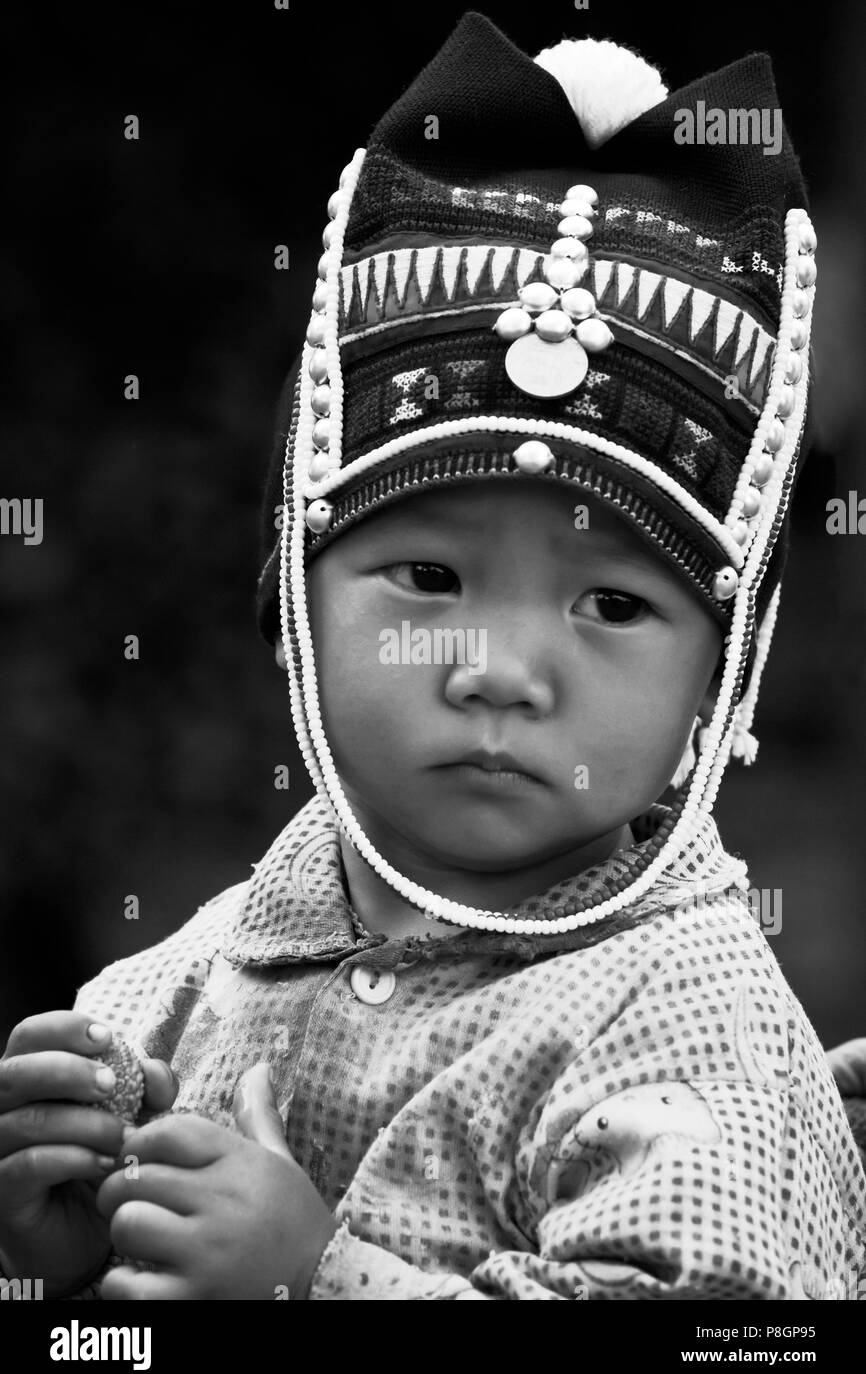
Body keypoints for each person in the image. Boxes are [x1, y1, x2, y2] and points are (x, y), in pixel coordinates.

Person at [1, 13, 864, 1301]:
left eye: (615, 607)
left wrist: (318, 1278)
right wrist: (61, 1267)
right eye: (431, 579)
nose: (502, 671)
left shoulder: (691, 1025)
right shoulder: (180, 984)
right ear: (296, 593)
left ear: (720, 672)